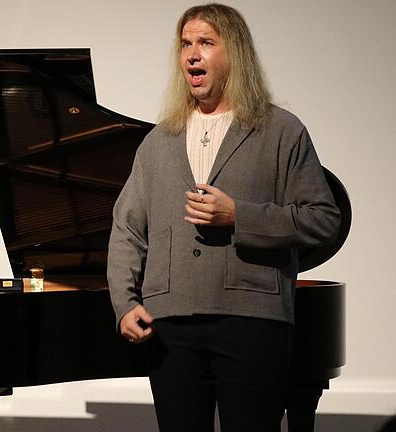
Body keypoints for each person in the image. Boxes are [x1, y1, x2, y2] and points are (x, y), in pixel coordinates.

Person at [107, 4, 341, 432]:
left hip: (252, 320)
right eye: (186, 44)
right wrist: (125, 303)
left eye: (206, 43)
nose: (192, 54)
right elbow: (126, 230)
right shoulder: (159, 141)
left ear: (234, 53)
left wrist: (240, 216)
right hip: (171, 325)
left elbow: (324, 219)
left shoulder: (280, 131)